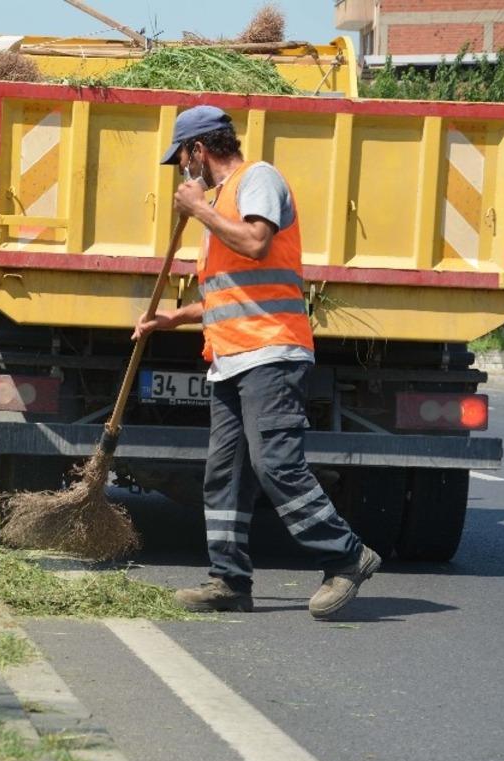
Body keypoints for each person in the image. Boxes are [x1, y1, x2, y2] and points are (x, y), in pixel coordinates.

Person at [134, 106, 380, 618]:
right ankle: (230, 581)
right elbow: (231, 292)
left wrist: (199, 210)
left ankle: (347, 555)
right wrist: (174, 318)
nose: (183, 171)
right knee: (224, 473)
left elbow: (255, 243)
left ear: (199, 150)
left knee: (276, 464)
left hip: (271, 350)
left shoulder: (257, 179)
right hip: (230, 357)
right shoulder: (222, 201)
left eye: (182, 159)